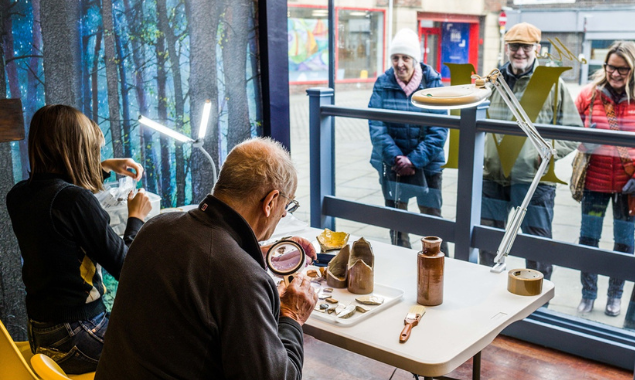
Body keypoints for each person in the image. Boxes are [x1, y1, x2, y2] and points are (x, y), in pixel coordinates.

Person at [95, 138, 318, 380]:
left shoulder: (155, 227)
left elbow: (203, 258)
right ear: (271, 201)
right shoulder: (241, 278)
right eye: (287, 205)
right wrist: (292, 317)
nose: (283, 213)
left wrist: (253, 252)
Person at [5, 104, 152, 374]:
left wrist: (105, 166)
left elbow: (55, 190)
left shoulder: (18, 195)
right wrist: (136, 218)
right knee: (170, 345)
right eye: (94, 150)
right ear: (79, 150)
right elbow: (127, 268)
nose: (97, 155)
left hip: (43, 335)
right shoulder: (75, 200)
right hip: (80, 335)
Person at [480, 22, 582, 280]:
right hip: (493, 178)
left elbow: (573, 131)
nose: (520, 52)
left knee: (538, 249)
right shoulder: (493, 81)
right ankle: (486, 296)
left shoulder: (552, 84)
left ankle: (539, 307)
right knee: (487, 245)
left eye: (526, 47)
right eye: (515, 46)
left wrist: (546, 153)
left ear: (537, 48)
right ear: (507, 48)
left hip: (535, 180)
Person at [574, 41, 635, 316]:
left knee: (624, 243)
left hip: (629, 185)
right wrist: (585, 140)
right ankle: (588, 294)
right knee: (589, 239)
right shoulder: (589, 94)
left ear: (634, 68)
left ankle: (615, 296)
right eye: (611, 67)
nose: (615, 74)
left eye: (622, 69)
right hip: (595, 184)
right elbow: (571, 131)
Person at [368, 28, 449, 253]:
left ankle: (441, 262)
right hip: (391, 163)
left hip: (428, 164)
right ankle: (402, 259)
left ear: (416, 60)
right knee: (396, 219)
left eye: (406, 58)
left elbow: (439, 129)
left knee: (432, 219)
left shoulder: (433, 83)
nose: (400, 63)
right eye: (395, 57)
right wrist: (396, 158)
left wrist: (413, 160)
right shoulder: (383, 83)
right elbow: (376, 125)